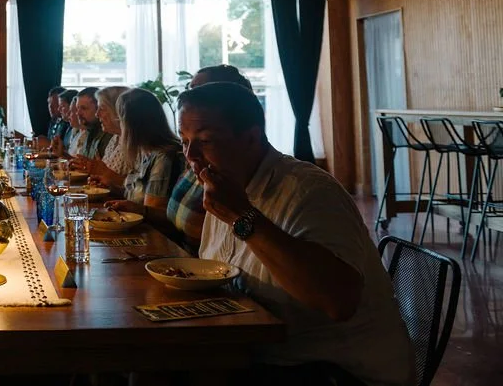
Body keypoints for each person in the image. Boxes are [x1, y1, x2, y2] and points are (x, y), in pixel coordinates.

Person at [178, 82, 412, 386]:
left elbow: (338, 300)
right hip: (255, 352)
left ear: (251, 138)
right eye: (183, 141)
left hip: (333, 370)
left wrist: (243, 217)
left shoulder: (310, 192)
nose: (190, 155)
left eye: (205, 141)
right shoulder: (227, 186)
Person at [105, 67, 252, 254]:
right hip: (178, 262)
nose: (190, 96)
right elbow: (173, 219)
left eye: (198, 90)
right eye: (184, 140)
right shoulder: (197, 163)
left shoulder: (230, 171)